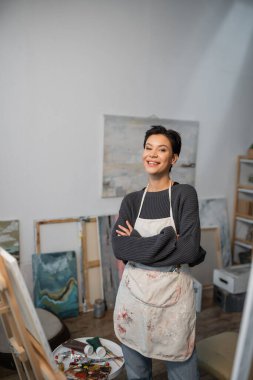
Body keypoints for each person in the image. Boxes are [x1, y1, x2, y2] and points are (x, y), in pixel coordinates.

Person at [111, 125, 206, 380]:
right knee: (138, 375)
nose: (152, 154)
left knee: (183, 373)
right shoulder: (131, 201)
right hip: (132, 303)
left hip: (172, 307)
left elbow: (188, 250)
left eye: (161, 149)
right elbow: (119, 247)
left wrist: (137, 242)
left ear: (173, 158)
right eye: (148, 148)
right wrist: (167, 238)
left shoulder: (184, 195)